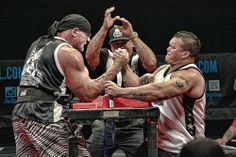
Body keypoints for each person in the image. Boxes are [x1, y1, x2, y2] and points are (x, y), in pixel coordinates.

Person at [11, 14, 129, 157]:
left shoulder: (37, 44)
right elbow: (88, 93)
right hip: (44, 114)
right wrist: (117, 66)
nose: (88, 39)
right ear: (75, 32)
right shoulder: (68, 52)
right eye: (87, 35)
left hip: (20, 114)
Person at [105, 31, 206, 157]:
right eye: (169, 45)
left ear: (185, 53)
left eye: (173, 47)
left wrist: (120, 92)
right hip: (155, 143)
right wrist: (123, 63)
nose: (167, 49)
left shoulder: (191, 75)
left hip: (181, 147)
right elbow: (138, 86)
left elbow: (160, 92)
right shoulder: (163, 70)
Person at [85, 6, 157, 157]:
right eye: (116, 44)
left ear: (131, 43)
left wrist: (132, 38)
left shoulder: (138, 59)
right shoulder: (105, 56)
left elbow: (151, 64)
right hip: (104, 122)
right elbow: (90, 57)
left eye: (124, 42)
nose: (120, 46)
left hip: (134, 123)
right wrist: (105, 28)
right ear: (110, 45)